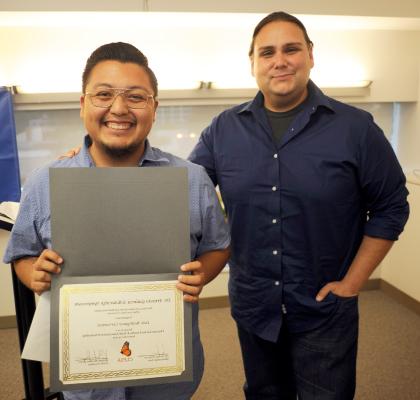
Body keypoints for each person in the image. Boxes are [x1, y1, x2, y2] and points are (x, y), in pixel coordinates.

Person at [188, 11, 409, 400]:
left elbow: (391, 206)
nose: (280, 60)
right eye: (267, 52)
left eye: (291, 49)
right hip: (255, 308)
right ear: (253, 63)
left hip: (325, 310)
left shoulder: (356, 129)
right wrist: (100, 162)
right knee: (264, 394)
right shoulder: (223, 130)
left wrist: (353, 282)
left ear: (310, 55)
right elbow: (183, 189)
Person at [3, 42, 230, 400]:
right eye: (104, 94)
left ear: (154, 108)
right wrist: (34, 272)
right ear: (83, 105)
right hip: (87, 379)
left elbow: (218, 246)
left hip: (168, 374)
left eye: (136, 97)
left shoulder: (192, 179)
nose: (119, 108)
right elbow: (22, 254)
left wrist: (203, 273)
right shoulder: (44, 182)